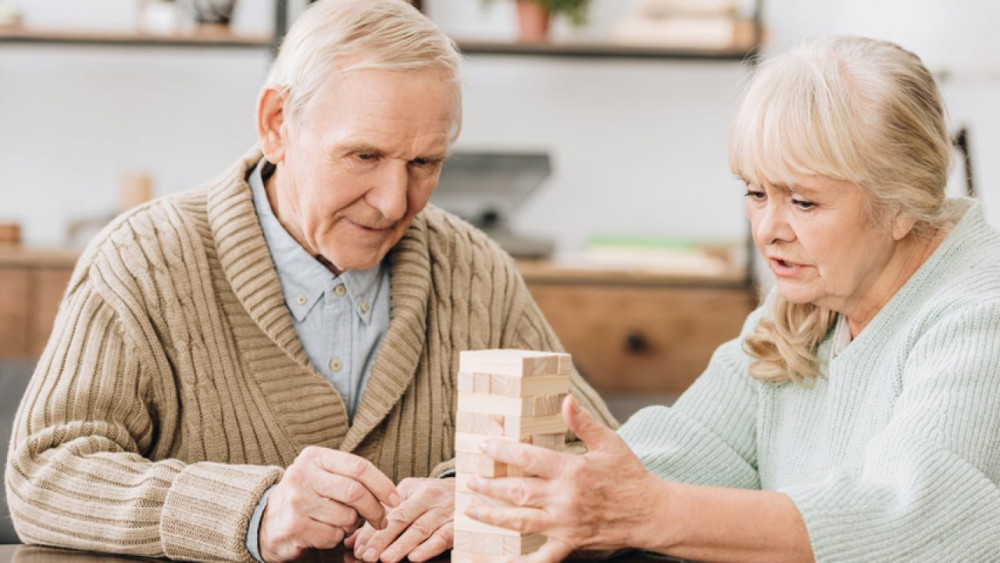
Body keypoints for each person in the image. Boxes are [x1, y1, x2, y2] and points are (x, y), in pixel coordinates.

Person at [3, 1, 616, 562]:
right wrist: (254, 512)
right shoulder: (143, 260)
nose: (393, 202)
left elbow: (601, 464)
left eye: (424, 164)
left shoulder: (477, 270)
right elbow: (46, 476)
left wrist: (476, 497)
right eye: (364, 156)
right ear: (277, 124)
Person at [465, 35, 1000, 562]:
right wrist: (506, 497)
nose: (768, 230)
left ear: (904, 203)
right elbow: (691, 445)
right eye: (755, 193)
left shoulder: (981, 312)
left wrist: (649, 513)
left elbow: (910, 521)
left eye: (805, 202)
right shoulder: (810, 301)